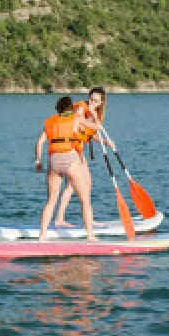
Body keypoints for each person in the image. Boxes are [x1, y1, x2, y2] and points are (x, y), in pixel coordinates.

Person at [34, 96, 98, 241]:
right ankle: (90, 235)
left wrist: (38, 160)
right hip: (71, 160)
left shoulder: (50, 122)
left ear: (58, 108)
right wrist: (93, 114)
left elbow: (39, 142)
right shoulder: (76, 118)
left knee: (51, 201)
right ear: (70, 108)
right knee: (85, 200)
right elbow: (96, 127)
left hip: (53, 162)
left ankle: (42, 235)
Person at [54, 87, 112, 226]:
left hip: (79, 150)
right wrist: (90, 112)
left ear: (101, 102)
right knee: (73, 185)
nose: (91, 102)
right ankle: (60, 219)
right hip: (71, 150)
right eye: (90, 99)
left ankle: (80, 218)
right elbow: (79, 118)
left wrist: (105, 142)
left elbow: (90, 134)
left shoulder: (98, 114)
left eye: (96, 101)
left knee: (84, 183)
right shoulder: (81, 107)